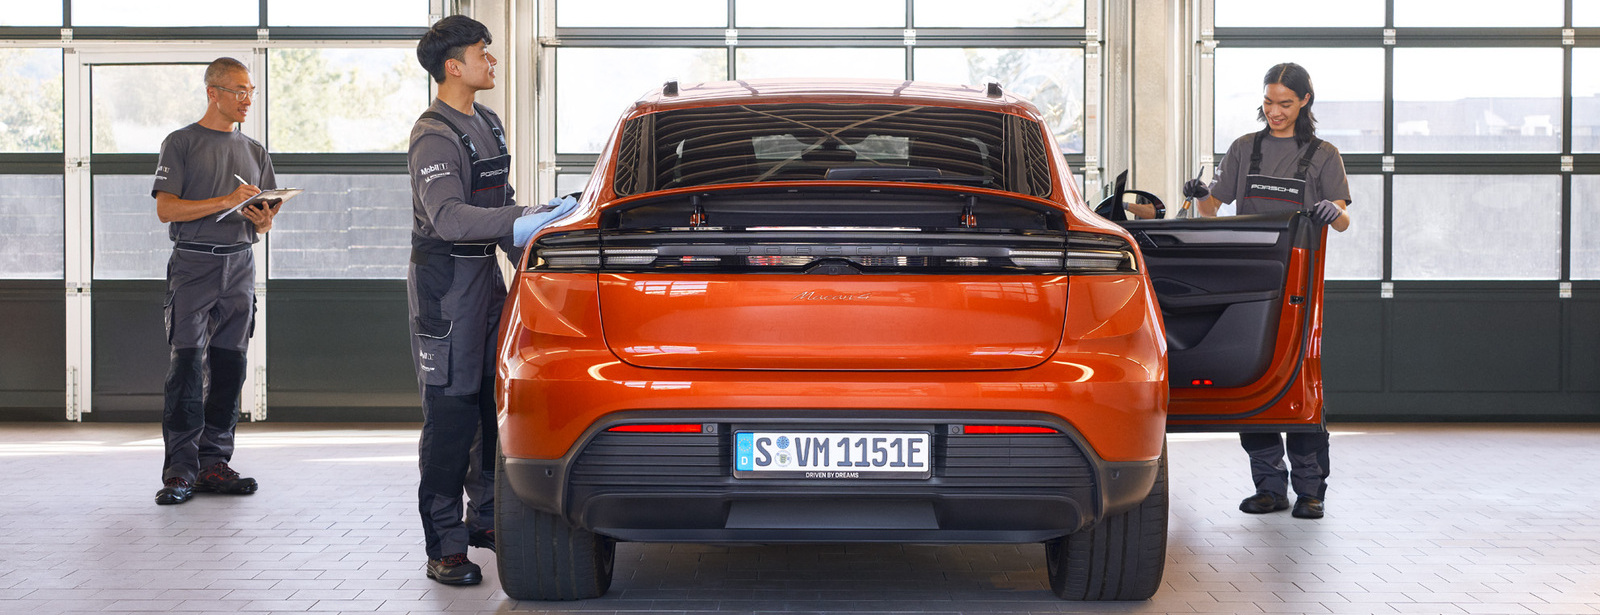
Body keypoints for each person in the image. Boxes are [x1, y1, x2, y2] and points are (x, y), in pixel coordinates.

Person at [406, 15, 578, 586]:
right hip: (445, 289)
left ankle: (484, 519)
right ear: (454, 66)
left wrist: (541, 251)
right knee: (451, 416)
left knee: (488, 405)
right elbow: (451, 219)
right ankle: (444, 545)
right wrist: (525, 217)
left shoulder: (489, 123)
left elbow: (498, 205)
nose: (493, 61)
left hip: (485, 282)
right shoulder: (434, 134)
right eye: (484, 53)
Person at [1181, 62, 1351, 520]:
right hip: (1251, 284)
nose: (1275, 111)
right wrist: (1200, 192)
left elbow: (1343, 218)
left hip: (1300, 287)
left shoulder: (1324, 154)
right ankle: (1270, 487)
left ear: (1305, 101)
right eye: (1269, 102)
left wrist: (1331, 210)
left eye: (1285, 104)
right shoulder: (1244, 148)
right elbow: (1212, 210)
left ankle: (1311, 491)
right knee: (1254, 379)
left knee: (1300, 383)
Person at [151, 57, 281, 506]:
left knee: (230, 368)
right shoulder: (181, 143)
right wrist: (225, 200)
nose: (247, 99)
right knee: (186, 367)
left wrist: (263, 221)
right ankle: (180, 471)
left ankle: (213, 464)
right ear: (213, 93)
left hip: (240, 266)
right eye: (239, 91)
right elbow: (166, 209)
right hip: (194, 265)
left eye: (251, 91)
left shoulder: (256, 151)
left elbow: (265, 220)